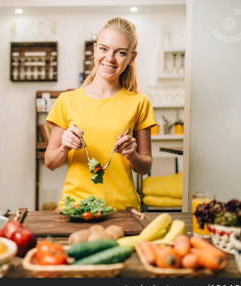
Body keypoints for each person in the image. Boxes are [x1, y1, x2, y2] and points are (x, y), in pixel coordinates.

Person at [44, 17, 157, 211]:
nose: (110, 58)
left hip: (123, 209)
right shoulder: (67, 101)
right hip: (76, 209)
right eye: (104, 49)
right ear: (95, 49)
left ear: (132, 57)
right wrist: (64, 147)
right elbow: (50, 162)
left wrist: (132, 155)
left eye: (121, 53)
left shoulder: (139, 102)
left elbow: (145, 166)